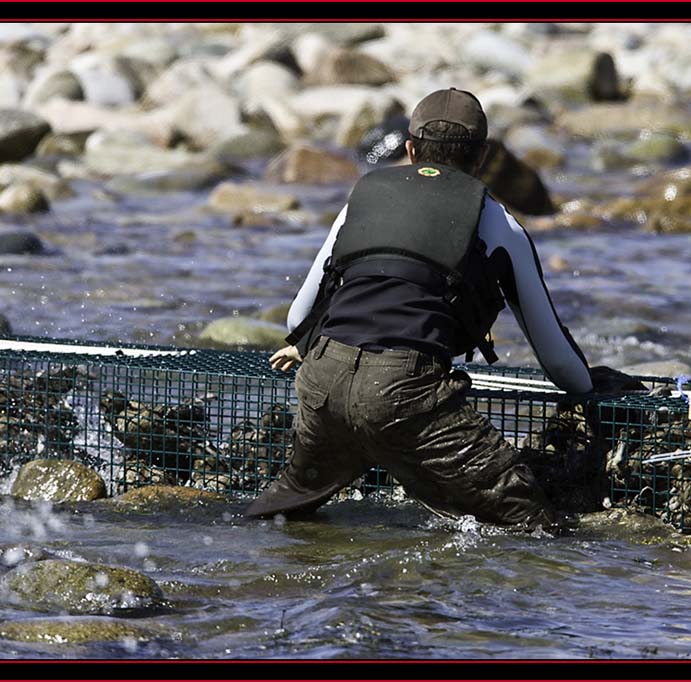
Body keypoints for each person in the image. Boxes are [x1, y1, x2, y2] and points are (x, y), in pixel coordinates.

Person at [244, 88, 594, 531]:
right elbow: (557, 358)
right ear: (482, 156)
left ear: (409, 149)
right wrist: (592, 390)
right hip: (406, 394)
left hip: (322, 384)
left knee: (284, 516)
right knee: (532, 523)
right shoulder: (500, 224)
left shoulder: (363, 198)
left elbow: (297, 320)